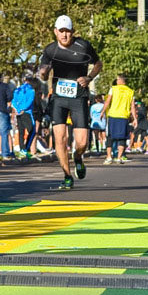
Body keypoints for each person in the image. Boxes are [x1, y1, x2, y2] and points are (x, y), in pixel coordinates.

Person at [38, 15, 102, 190]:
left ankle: (78, 157)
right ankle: (67, 176)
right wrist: (44, 73)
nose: (64, 35)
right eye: (61, 31)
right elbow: (42, 74)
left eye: (68, 31)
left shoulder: (83, 46)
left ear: (73, 32)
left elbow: (98, 63)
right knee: (60, 138)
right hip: (58, 99)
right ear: (55, 32)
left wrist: (89, 77)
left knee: (82, 142)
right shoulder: (50, 50)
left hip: (79, 97)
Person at [102, 75, 135, 164]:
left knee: (110, 137)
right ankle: (119, 157)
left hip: (113, 115)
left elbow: (107, 101)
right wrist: (135, 118)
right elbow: (132, 107)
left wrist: (102, 112)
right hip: (124, 116)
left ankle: (109, 157)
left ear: (121, 80)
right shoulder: (130, 91)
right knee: (122, 138)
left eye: (117, 79)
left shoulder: (113, 89)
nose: (116, 81)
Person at [10, 74, 37, 159]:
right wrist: (22, 109)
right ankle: (25, 149)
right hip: (27, 112)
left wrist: (17, 109)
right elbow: (30, 101)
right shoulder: (31, 90)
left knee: (21, 132)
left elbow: (14, 101)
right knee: (32, 131)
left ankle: (22, 150)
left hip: (19, 113)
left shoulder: (18, 89)